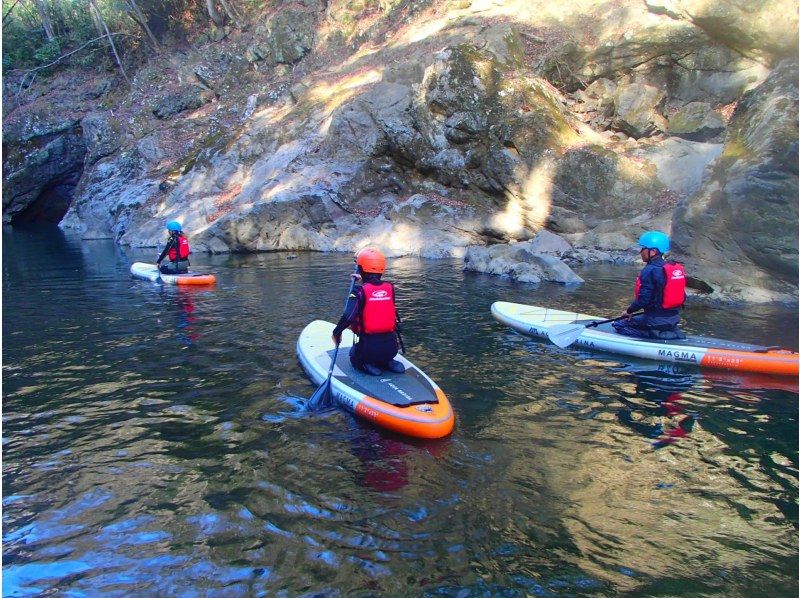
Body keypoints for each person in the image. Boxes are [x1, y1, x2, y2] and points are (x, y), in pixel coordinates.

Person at [331, 247, 405, 376]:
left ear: (361, 269)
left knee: (353, 354)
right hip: (391, 348)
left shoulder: (358, 292)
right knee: (383, 350)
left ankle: (366, 364)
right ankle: (387, 361)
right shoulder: (390, 288)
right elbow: (375, 293)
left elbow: (348, 317)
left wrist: (336, 333)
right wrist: (363, 279)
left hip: (368, 350)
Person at [613, 230, 686, 340]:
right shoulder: (670, 268)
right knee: (651, 318)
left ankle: (655, 335)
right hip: (674, 319)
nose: (640, 252)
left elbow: (643, 300)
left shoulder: (650, 270)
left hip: (655, 320)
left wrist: (628, 311)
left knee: (619, 324)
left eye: (643, 249)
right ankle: (669, 330)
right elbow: (683, 296)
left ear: (653, 252)